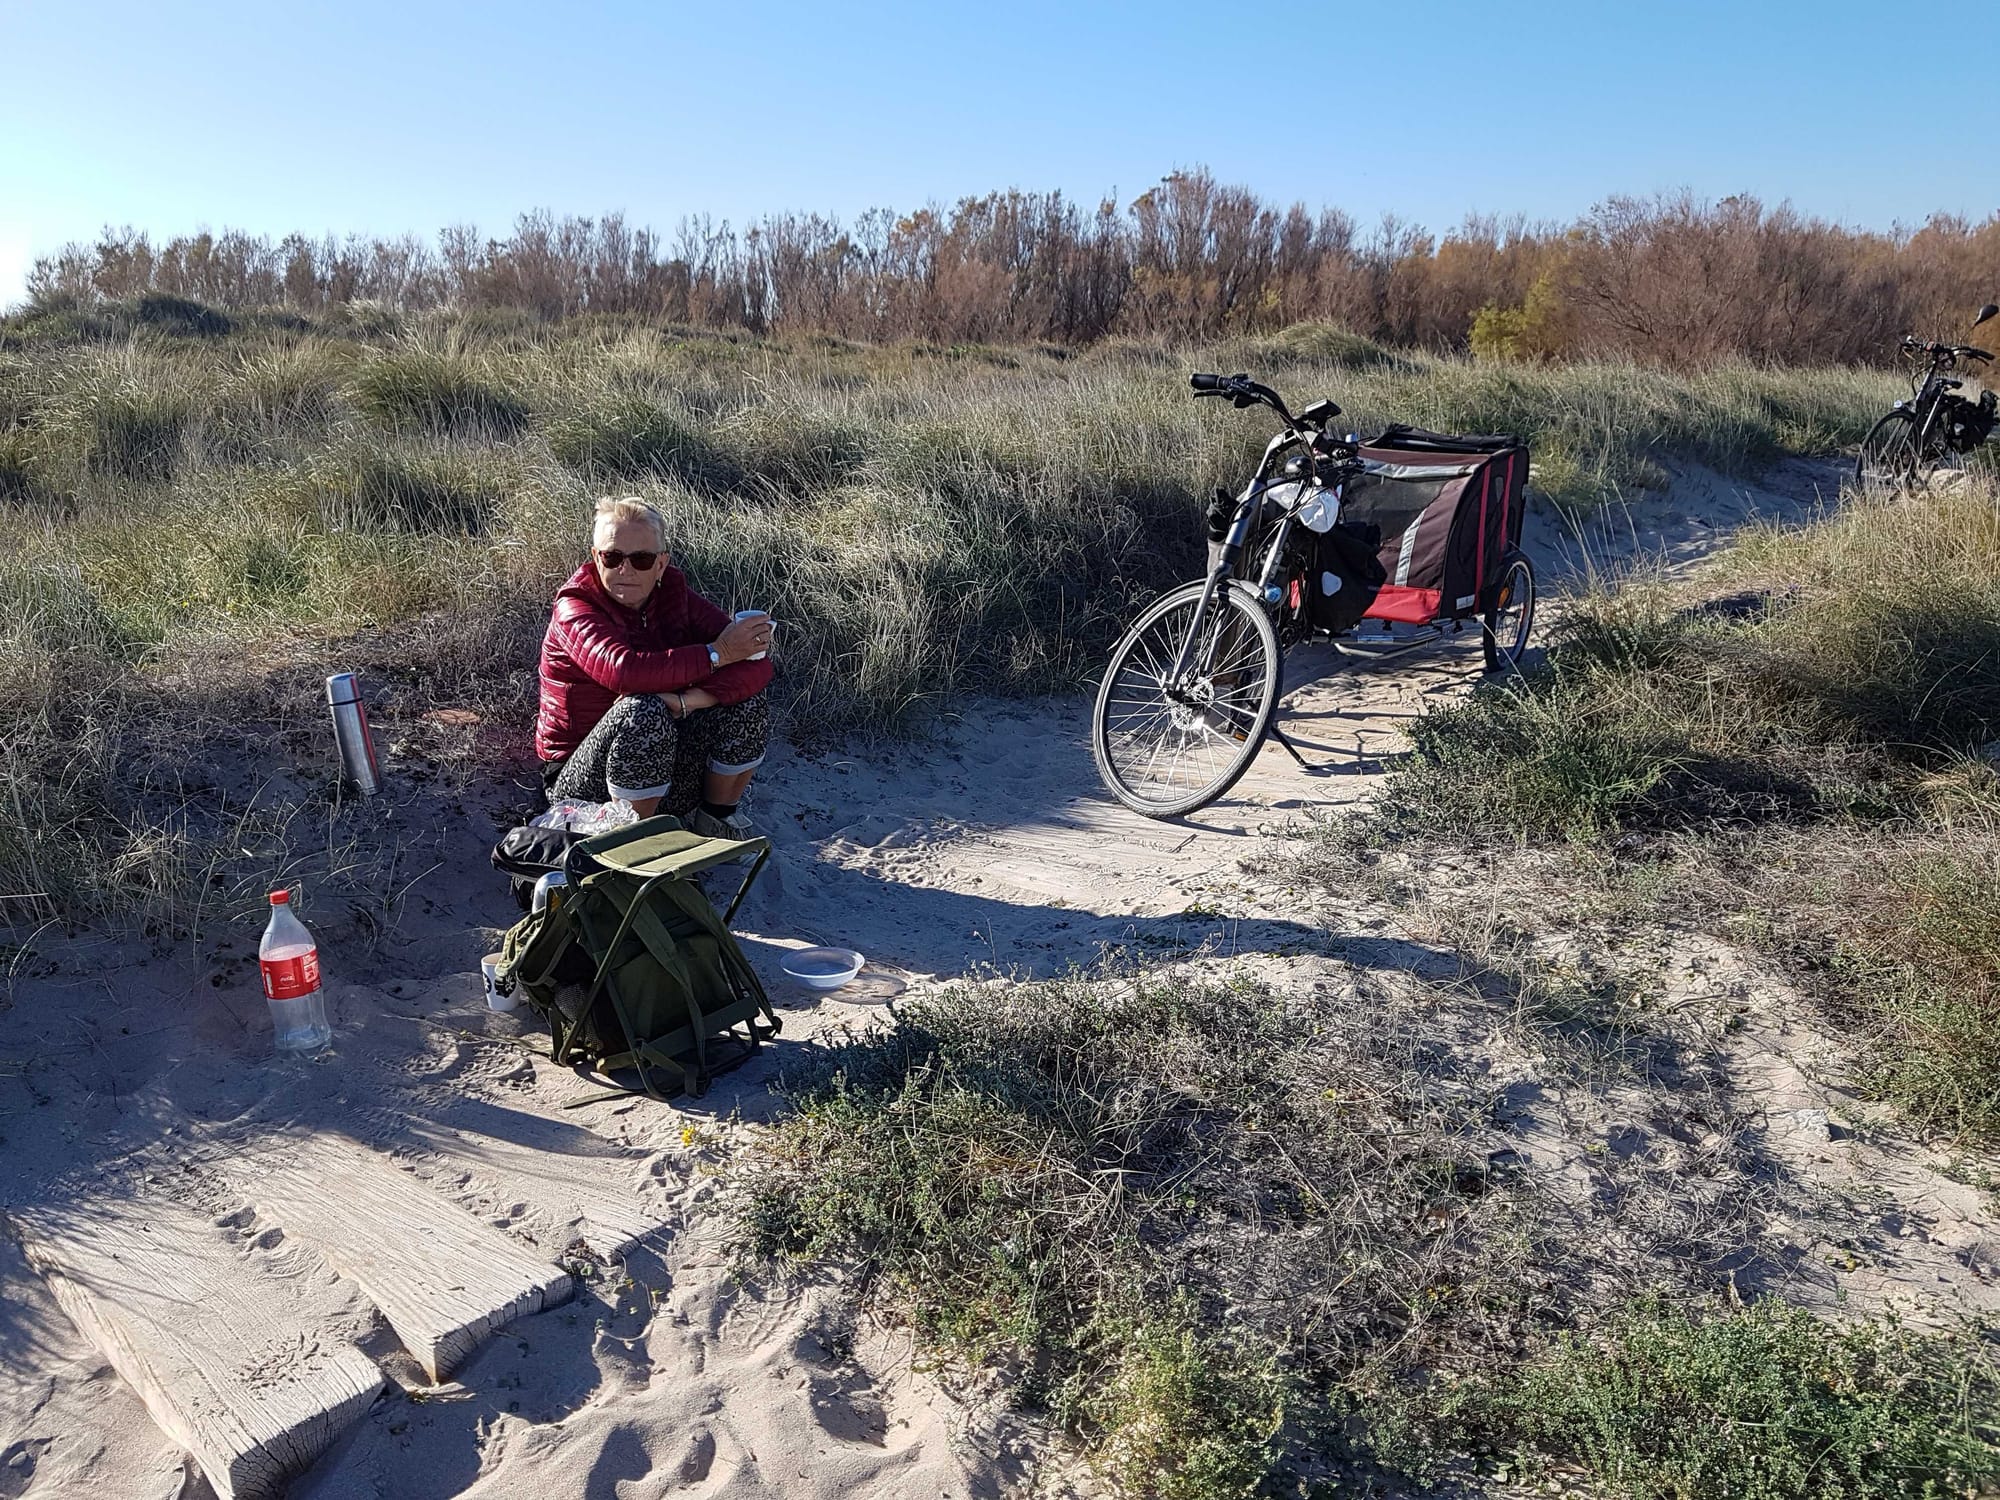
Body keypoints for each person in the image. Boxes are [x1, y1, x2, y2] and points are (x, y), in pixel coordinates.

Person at [536, 496, 775, 838]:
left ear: (661, 564)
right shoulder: (575, 608)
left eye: (642, 559)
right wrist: (718, 654)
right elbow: (625, 672)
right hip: (580, 781)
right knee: (642, 710)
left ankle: (715, 819)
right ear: (595, 557)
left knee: (746, 701)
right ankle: (633, 842)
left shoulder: (673, 594)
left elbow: (755, 666)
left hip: (659, 761)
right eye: (613, 556)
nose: (626, 569)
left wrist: (689, 701)